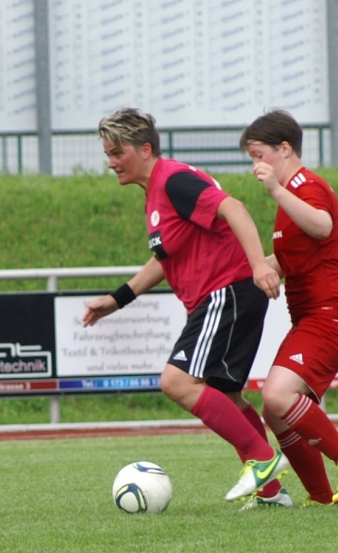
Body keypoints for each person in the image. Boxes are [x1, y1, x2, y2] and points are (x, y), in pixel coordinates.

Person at [83, 108, 290, 506]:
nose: (111, 163)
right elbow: (166, 257)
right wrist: (118, 298)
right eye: (108, 154)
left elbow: (234, 208)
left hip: (226, 292)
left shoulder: (173, 180)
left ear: (145, 149)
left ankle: (263, 460)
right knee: (226, 396)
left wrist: (259, 265)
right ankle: (271, 494)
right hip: (224, 295)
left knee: (176, 382)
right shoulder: (156, 191)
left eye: (117, 153)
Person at [239, 110, 338, 506]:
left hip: (333, 313)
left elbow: (322, 225)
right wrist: (251, 268)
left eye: (259, 155)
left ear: (285, 149)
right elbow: (289, 259)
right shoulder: (291, 195)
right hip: (312, 317)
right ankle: (320, 495)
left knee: (278, 394)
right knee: (274, 410)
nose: (256, 165)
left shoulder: (304, 185)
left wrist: (276, 191)